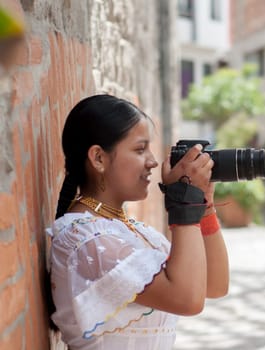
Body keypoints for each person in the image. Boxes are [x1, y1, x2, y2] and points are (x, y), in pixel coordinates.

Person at [47, 94, 229, 349]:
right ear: (99, 158)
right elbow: (188, 300)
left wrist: (204, 206)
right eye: (140, 149)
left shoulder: (133, 232)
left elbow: (215, 285)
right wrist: (184, 202)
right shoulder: (87, 241)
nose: (153, 161)